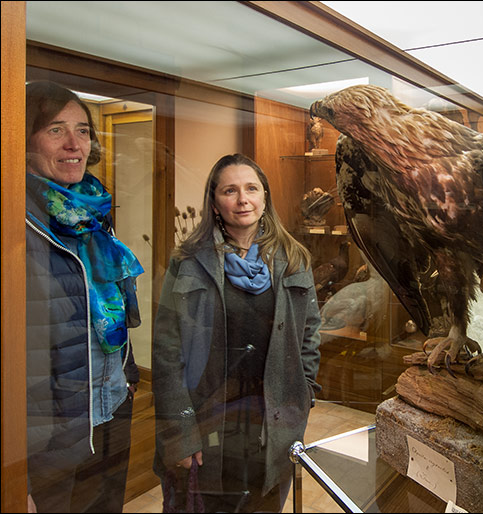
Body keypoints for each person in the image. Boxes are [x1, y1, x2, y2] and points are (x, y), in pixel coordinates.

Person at [152, 153, 322, 513]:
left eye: (251, 189)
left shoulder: (294, 259)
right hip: (208, 418)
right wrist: (180, 433)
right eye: (230, 190)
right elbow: (167, 352)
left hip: (271, 421)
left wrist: (303, 392)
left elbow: (309, 333)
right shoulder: (188, 262)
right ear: (214, 202)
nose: (243, 199)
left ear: (265, 198)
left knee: (263, 503)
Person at [25, 80, 144, 512]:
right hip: (49, 437)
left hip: (110, 409)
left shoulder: (91, 214)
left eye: (82, 130)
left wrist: (128, 375)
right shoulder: (15, 223)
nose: (74, 143)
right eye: (56, 129)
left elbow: (107, 307)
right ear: (25, 139)